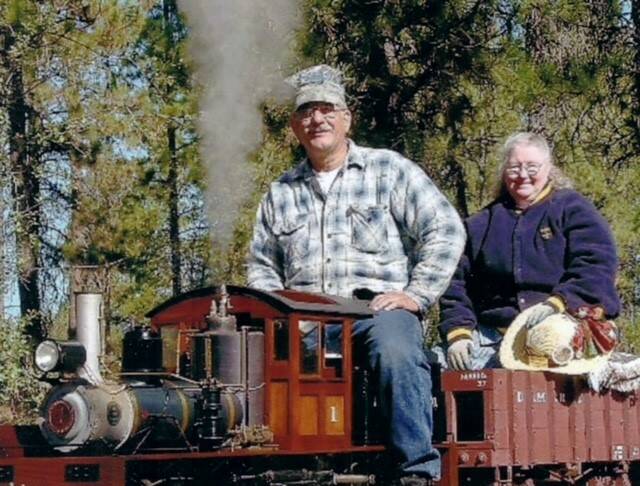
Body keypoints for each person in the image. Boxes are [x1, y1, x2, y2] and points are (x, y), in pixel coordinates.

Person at [247, 65, 465, 484]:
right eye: (306, 112)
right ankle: (268, 468)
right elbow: (262, 266)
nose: (317, 120)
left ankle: (416, 471)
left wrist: (416, 295)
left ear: (347, 118)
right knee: (248, 363)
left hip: (375, 313)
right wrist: (274, 316)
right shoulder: (280, 192)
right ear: (295, 126)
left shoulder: (389, 170)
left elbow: (445, 229)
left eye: (327, 109)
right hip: (303, 324)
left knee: (397, 352)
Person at [438, 131, 620, 371]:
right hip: (490, 336)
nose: (523, 176)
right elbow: (454, 284)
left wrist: (558, 303)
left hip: (560, 330)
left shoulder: (574, 209)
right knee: (432, 365)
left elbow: (596, 265)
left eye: (532, 167)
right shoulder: (480, 224)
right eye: (514, 168)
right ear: (504, 172)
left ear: (548, 168)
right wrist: (458, 333)